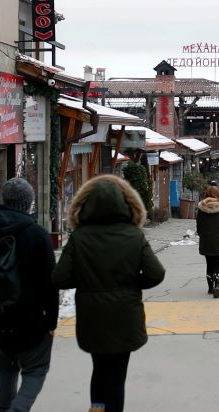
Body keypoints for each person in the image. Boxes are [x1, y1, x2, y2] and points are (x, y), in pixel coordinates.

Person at [53, 175, 166, 412]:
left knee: (99, 366)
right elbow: (156, 273)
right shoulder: (134, 236)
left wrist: (86, 281)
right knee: (117, 373)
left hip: (92, 315)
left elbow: (59, 277)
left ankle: (96, 407)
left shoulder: (80, 237)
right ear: (127, 203)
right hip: (125, 314)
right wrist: (133, 284)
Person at [0, 177, 59, 412]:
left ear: (4, 199)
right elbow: (51, 283)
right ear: (28, 203)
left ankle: (4, 409)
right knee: (35, 370)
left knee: (6, 367)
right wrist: (51, 322)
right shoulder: (36, 235)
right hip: (31, 321)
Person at [196, 185, 219, 297]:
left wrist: (202, 234)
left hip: (206, 239)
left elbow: (199, 225)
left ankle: (210, 288)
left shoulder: (201, 207)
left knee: (209, 263)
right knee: (217, 263)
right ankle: (217, 285)